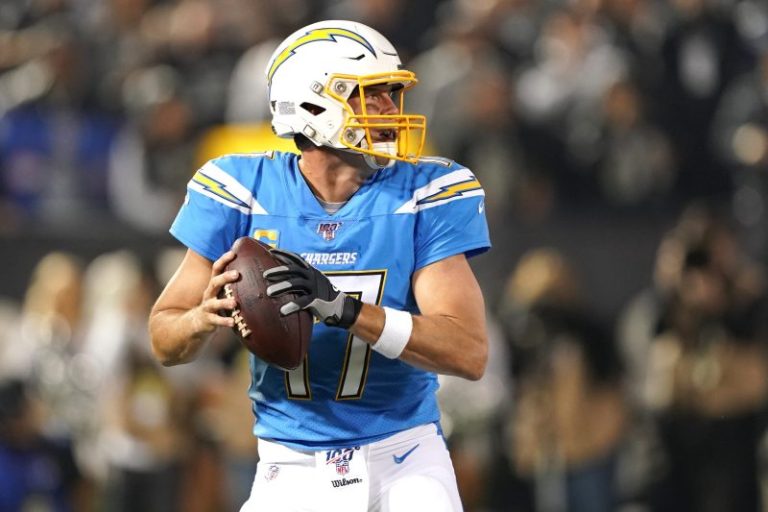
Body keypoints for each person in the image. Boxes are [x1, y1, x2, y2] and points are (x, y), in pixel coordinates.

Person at [148, 19, 491, 512]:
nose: (390, 108)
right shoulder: (243, 190)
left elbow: (468, 351)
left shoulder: (425, 193)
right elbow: (164, 337)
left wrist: (345, 310)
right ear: (311, 104)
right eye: (370, 95)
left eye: (392, 94)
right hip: (289, 465)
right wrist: (201, 319)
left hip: (405, 458)